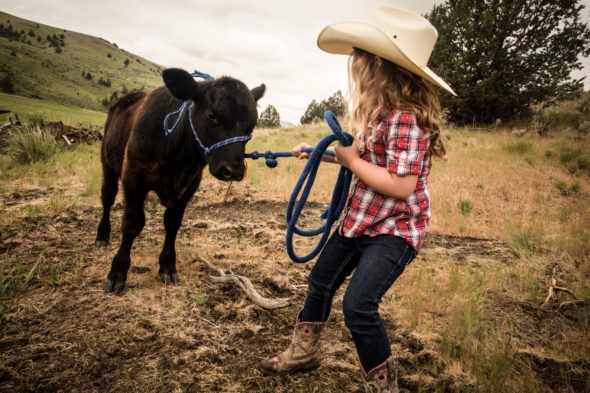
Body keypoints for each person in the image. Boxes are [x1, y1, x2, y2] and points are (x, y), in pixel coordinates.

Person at [259, 5, 456, 392]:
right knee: (320, 282)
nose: (356, 68)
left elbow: (401, 186)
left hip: (394, 229)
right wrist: (324, 154)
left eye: (360, 59)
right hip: (360, 219)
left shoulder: (405, 119)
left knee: (359, 306)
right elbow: (367, 161)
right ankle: (305, 352)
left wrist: (349, 158)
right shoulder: (379, 113)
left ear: (377, 64)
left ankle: (382, 385)